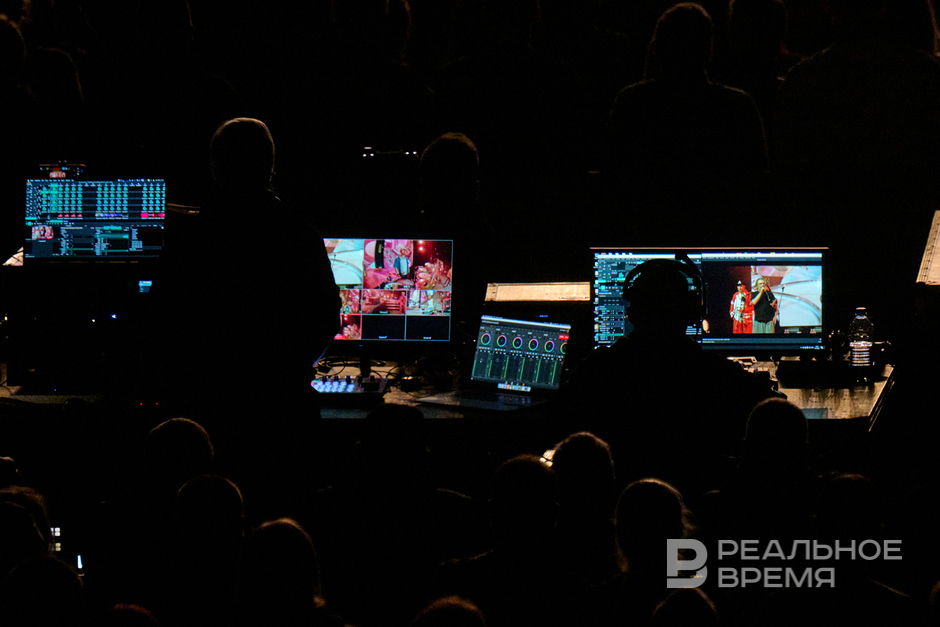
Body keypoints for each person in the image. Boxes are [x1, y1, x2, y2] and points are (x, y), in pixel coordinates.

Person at [153, 118, 340, 429]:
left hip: (208, 405)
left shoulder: (190, 238)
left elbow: (163, 319)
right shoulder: (299, 233)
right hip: (284, 404)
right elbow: (326, 319)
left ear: (215, 168)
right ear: (270, 167)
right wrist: (287, 371)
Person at [554, 258, 774, 495]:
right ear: (691, 312)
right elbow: (773, 413)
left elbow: (559, 420)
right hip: (694, 502)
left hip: (617, 503)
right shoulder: (716, 373)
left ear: (632, 313)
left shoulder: (597, 369)